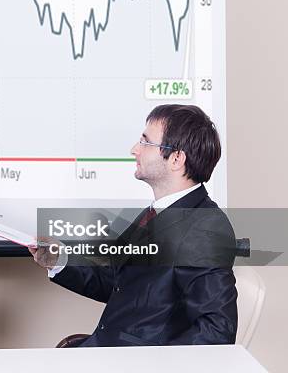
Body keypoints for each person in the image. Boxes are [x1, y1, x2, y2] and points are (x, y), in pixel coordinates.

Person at [30, 104, 238, 346]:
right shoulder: (155, 213)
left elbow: (217, 331)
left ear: (176, 158)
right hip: (107, 351)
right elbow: (119, 283)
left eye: (145, 142)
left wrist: (146, 364)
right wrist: (60, 261)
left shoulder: (204, 229)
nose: (134, 150)